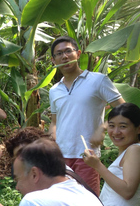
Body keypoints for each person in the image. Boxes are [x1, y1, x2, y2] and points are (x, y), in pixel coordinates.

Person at [49, 36, 124, 195]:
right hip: (61, 157)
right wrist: (51, 140)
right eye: (59, 53)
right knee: (65, 203)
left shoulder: (98, 80)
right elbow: (55, 122)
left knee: (89, 202)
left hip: (87, 156)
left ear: (78, 53)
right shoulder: (54, 90)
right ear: (53, 60)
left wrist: (103, 127)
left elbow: (124, 110)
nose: (65, 56)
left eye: (68, 51)